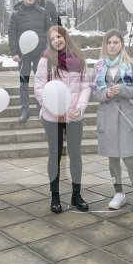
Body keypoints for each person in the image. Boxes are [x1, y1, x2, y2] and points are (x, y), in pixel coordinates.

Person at [91, 29, 133, 211]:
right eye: (109, 43)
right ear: (105, 45)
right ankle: (119, 193)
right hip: (107, 116)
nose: (112, 45)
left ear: (121, 44)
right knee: (113, 158)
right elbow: (94, 93)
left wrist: (123, 90)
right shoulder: (99, 66)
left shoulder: (131, 65)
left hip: (126, 116)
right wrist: (106, 93)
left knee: (129, 158)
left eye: (116, 42)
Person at [34, 26, 91, 213]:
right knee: (55, 155)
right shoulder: (45, 60)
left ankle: (76, 195)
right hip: (52, 116)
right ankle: (55, 196)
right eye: (52, 39)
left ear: (65, 36)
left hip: (74, 115)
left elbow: (85, 86)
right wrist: (53, 107)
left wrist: (79, 107)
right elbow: (39, 87)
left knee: (75, 154)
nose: (56, 40)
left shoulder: (79, 58)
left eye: (59, 36)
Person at [9, 0, 52, 123]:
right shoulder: (16, 14)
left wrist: (48, 47)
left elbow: (49, 30)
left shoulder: (42, 12)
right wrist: (15, 52)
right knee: (24, 83)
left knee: (42, 82)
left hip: (41, 54)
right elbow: (12, 34)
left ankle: (42, 108)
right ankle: (25, 110)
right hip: (24, 55)